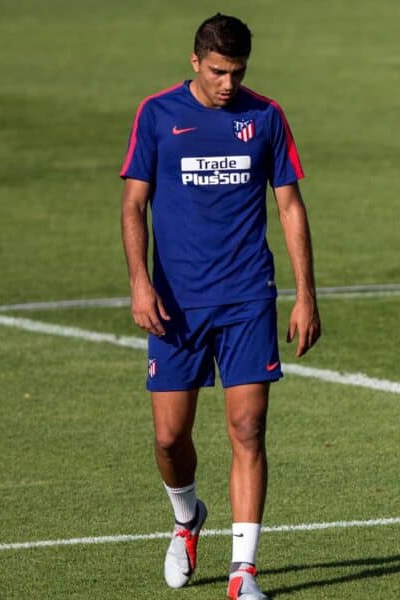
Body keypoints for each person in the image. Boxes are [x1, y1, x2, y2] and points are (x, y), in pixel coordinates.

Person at [120, 13, 320, 599]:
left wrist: (306, 292)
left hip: (246, 299)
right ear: (195, 62)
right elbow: (134, 205)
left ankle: (243, 574)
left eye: (237, 71)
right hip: (175, 305)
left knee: (248, 428)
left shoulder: (265, 116)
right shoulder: (157, 114)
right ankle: (187, 519)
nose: (228, 83)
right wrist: (138, 282)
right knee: (168, 438)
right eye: (217, 71)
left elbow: (289, 207)